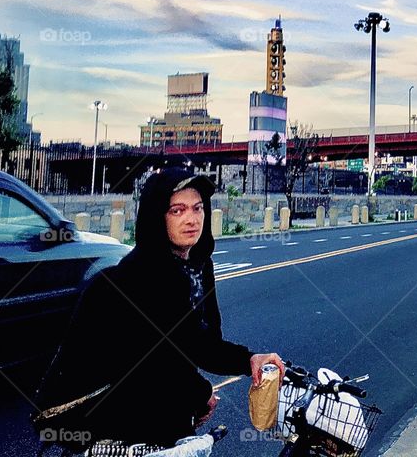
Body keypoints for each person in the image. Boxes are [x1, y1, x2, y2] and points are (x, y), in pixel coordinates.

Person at [35, 167, 284, 449]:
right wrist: (198, 392)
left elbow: (202, 343)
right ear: (157, 217)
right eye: (177, 211)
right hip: (111, 416)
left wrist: (249, 360)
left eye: (197, 208)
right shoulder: (140, 274)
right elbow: (153, 361)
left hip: (159, 404)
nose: (191, 219)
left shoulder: (199, 267)